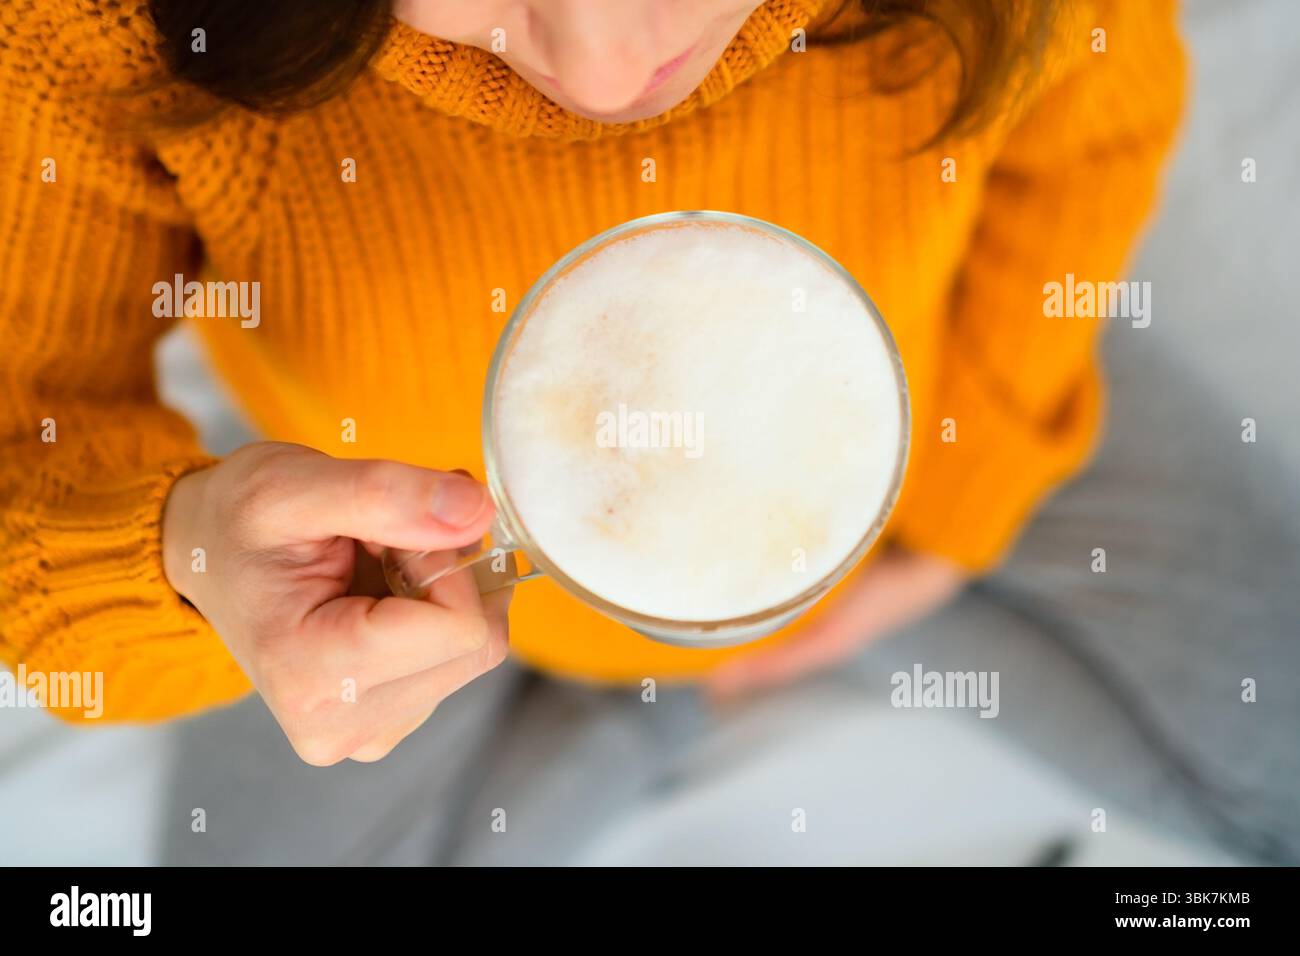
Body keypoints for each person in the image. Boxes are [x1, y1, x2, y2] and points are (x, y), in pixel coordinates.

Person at [1, 1, 1186, 788]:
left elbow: (1086, 155)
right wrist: (194, 562)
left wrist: (958, 507)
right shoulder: (100, 37)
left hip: (927, 475)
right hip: (402, 610)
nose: (610, 70)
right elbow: (27, 461)